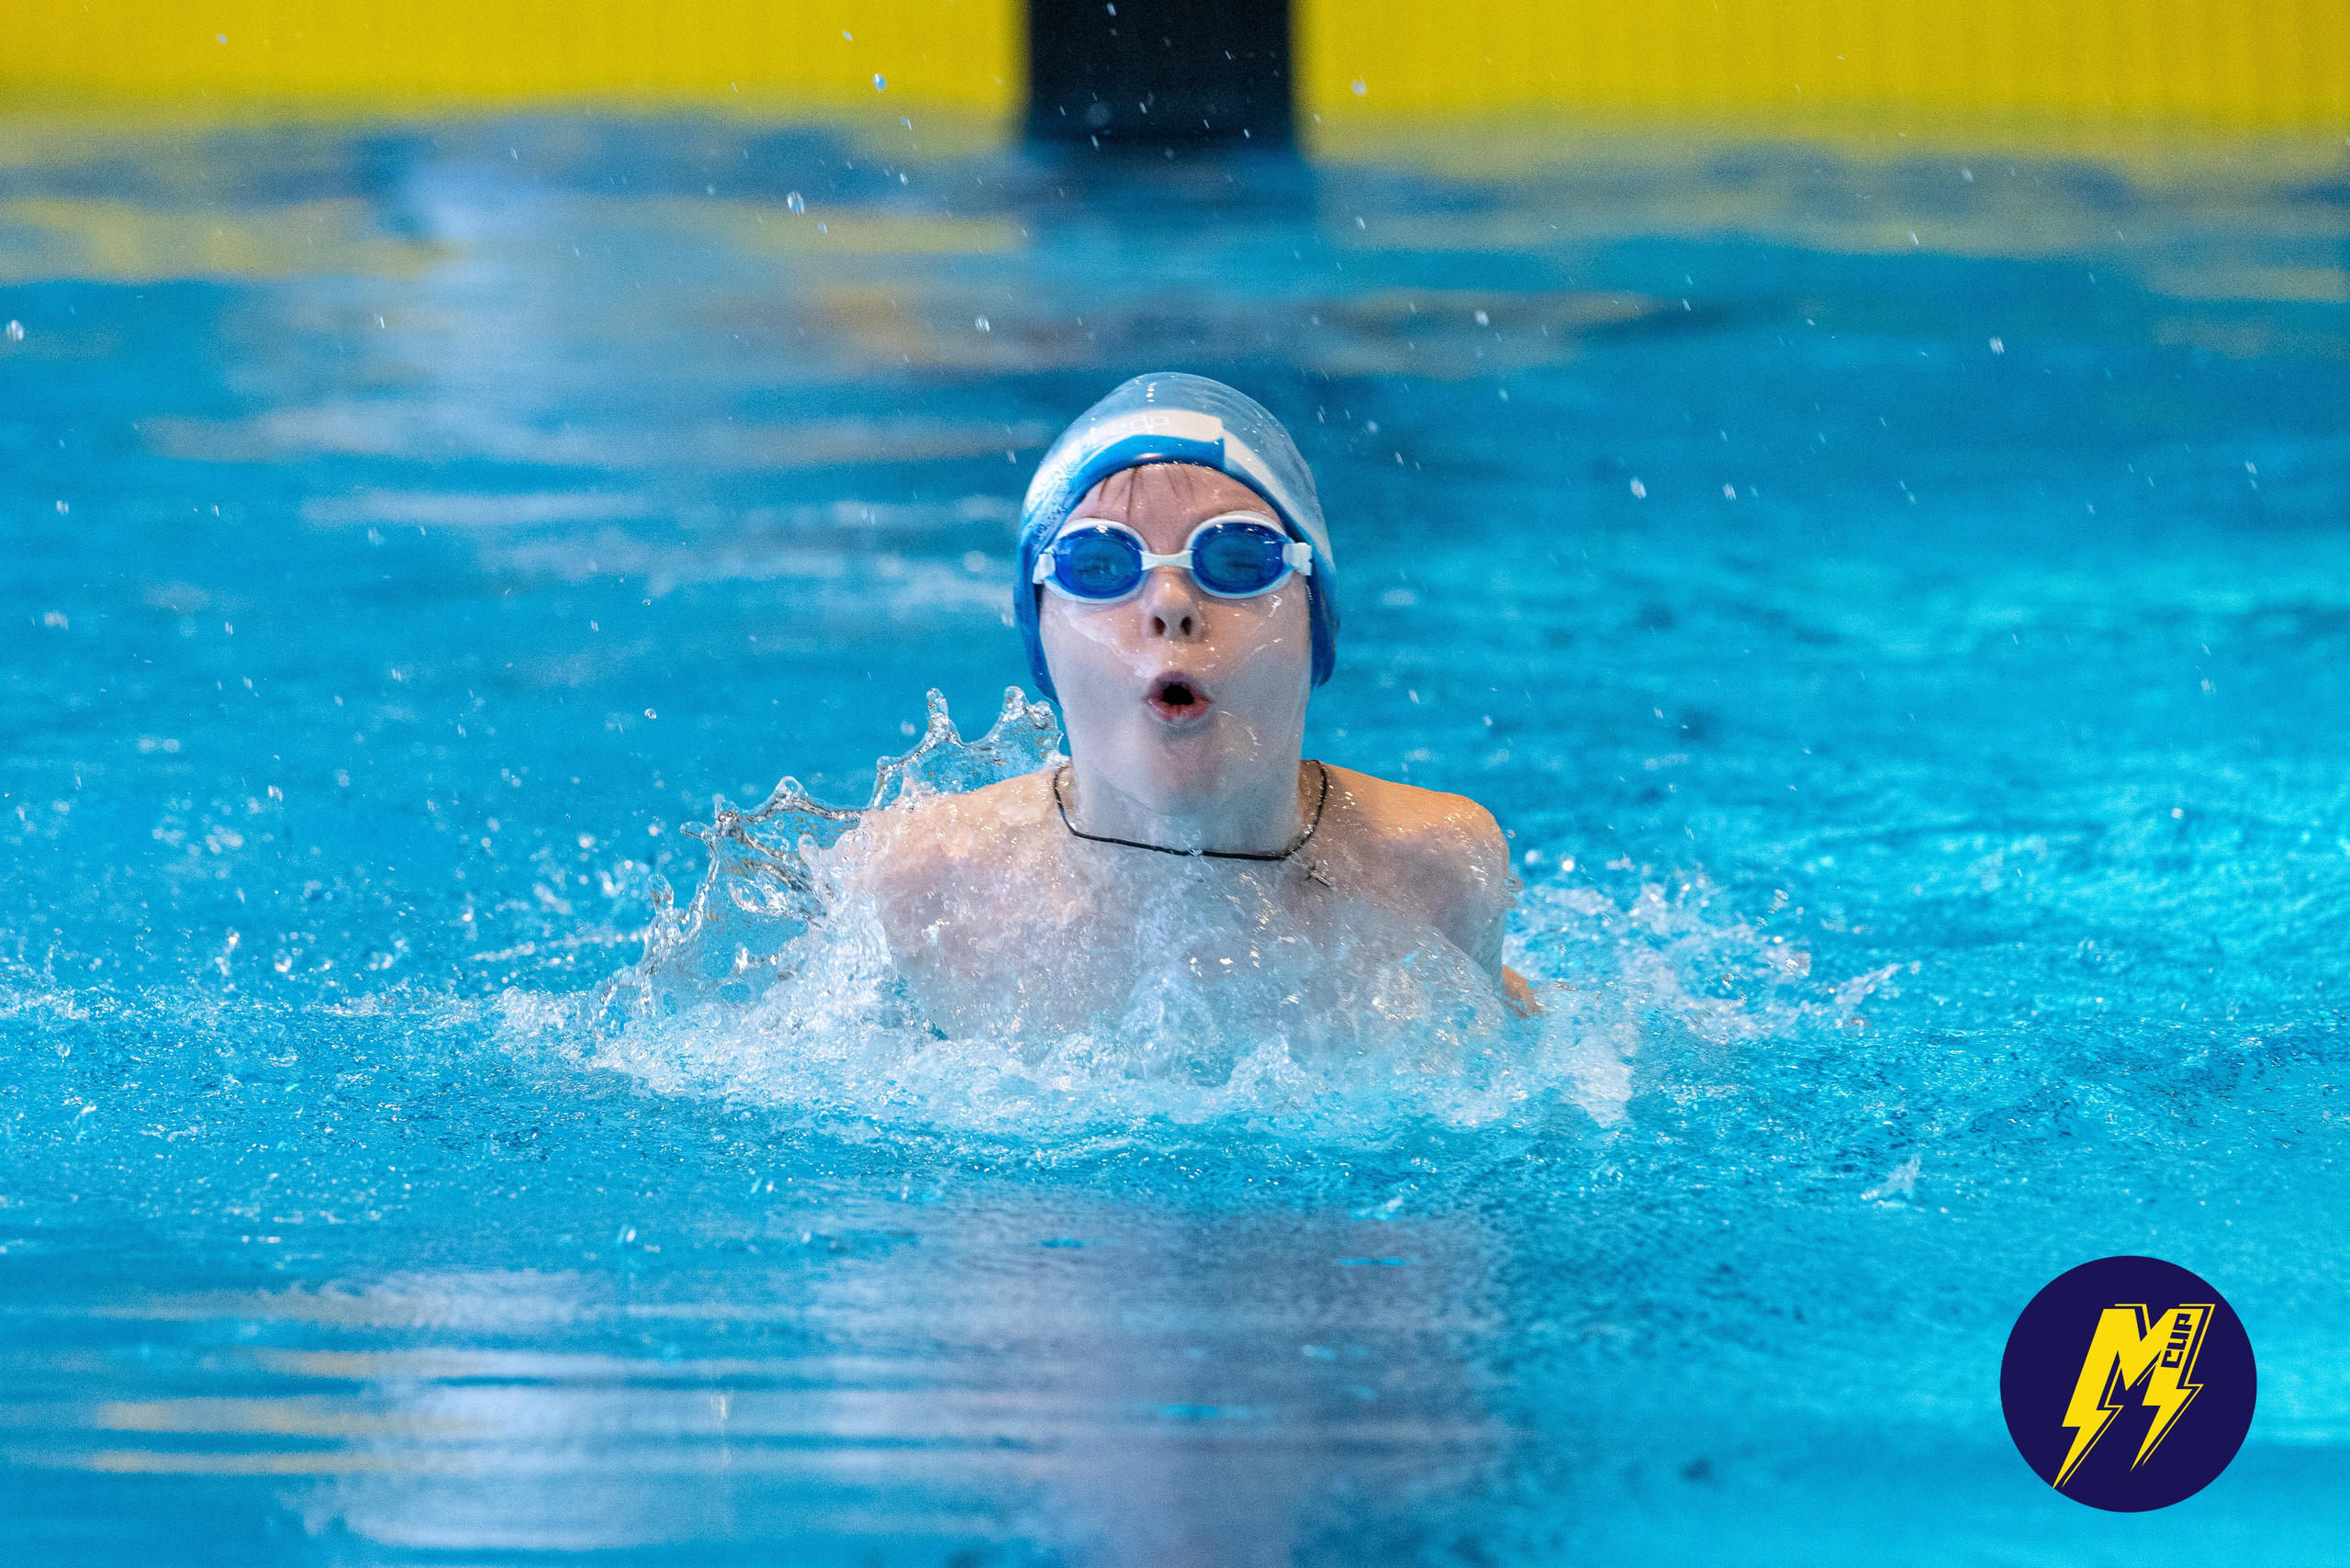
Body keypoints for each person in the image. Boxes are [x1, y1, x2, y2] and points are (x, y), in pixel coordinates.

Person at [845, 373, 1536, 1046]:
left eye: (1238, 560)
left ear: (1316, 626)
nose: (1171, 605)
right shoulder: (925, 883)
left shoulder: (1430, 871)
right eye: (1099, 565)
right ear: (1040, 639)